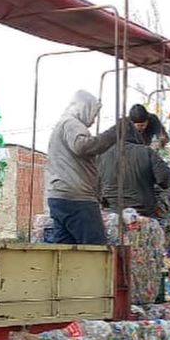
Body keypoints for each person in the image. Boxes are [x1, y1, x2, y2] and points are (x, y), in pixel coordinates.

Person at [46, 90, 119, 244]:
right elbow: (82, 146)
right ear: (85, 108)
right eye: (94, 114)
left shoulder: (62, 124)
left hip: (59, 196)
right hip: (77, 198)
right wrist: (113, 134)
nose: (93, 120)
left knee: (65, 254)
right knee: (95, 252)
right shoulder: (72, 124)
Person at [98, 124, 170, 217]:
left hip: (113, 211)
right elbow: (164, 179)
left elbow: (95, 186)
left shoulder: (101, 155)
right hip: (143, 210)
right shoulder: (146, 152)